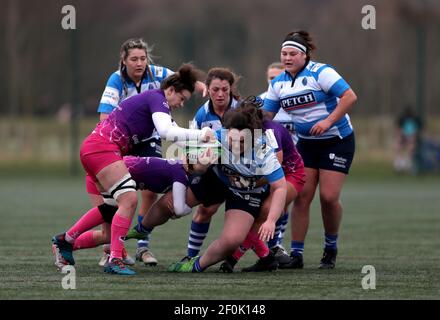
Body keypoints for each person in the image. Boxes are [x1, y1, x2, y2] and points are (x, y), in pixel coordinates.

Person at [51, 64, 213, 275]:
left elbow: (177, 138)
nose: (181, 104)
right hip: (102, 150)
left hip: (94, 149)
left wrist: (211, 148)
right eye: (182, 98)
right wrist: (202, 135)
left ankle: (66, 240)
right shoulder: (157, 98)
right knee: (129, 200)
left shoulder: (158, 105)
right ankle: (114, 259)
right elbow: (167, 131)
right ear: (170, 90)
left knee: (110, 209)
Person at [88, 38, 206, 267]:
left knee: (151, 188)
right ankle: (112, 248)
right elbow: (104, 117)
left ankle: (143, 246)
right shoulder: (116, 79)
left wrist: (200, 85)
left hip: (148, 136)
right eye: (134, 59)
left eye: (143, 58)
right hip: (122, 138)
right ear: (123, 61)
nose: (140, 63)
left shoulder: (157, 73)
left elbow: (181, 81)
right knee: (117, 195)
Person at [263, 30, 357, 269]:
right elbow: (266, 117)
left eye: (292, 53)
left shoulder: (322, 72)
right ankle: (296, 254)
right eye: (284, 53)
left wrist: (328, 121)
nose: (287, 58)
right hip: (306, 144)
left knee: (328, 197)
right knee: (302, 197)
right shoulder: (278, 83)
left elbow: (349, 97)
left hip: (337, 140)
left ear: (304, 56)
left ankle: (330, 247)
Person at [165, 97, 288, 273]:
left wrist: (271, 220)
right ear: (226, 131)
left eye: (243, 142)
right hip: (217, 179)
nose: (236, 146)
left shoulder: (264, 150)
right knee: (167, 204)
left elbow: (280, 187)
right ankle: (135, 235)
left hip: (246, 191)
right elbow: (190, 159)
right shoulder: (218, 136)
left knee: (232, 240)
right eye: (232, 140)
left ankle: (196, 265)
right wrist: (197, 163)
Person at [217, 97, 305, 272]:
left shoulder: (269, 132)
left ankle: (233, 259)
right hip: (266, 176)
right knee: (253, 213)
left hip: (291, 174)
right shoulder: (241, 132)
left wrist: (248, 183)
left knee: (264, 212)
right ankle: (266, 257)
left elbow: (276, 167)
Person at [65, 155, 203, 267]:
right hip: (112, 172)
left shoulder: (177, 166)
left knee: (107, 227)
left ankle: (67, 243)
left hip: (108, 167)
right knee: (111, 214)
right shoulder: (181, 175)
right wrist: (187, 210)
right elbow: (179, 209)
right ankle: (66, 243)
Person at [182, 68, 240, 260]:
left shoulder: (242, 110)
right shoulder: (202, 114)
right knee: (204, 210)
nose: (220, 94)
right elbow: (192, 145)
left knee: (252, 217)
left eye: (225, 89)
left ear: (231, 89)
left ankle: (271, 253)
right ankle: (190, 256)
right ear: (207, 89)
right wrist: (192, 164)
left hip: (242, 173)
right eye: (215, 89)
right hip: (215, 171)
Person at [260, 62, 297, 258]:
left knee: (284, 204)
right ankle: (273, 245)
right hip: (269, 161)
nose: (273, 81)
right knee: (272, 204)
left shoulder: (296, 101)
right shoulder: (261, 103)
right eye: (270, 78)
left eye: (277, 77)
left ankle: (277, 243)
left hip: (293, 161)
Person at [394, 106, 423, 173]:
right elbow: (399, 130)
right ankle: (399, 165)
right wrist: (401, 136)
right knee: (398, 147)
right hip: (403, 137)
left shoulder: (416, 119)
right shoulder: (402, 119)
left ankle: (408, 164)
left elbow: (418, 130)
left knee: (411, 147)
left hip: (412, 138)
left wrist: (413, 137)